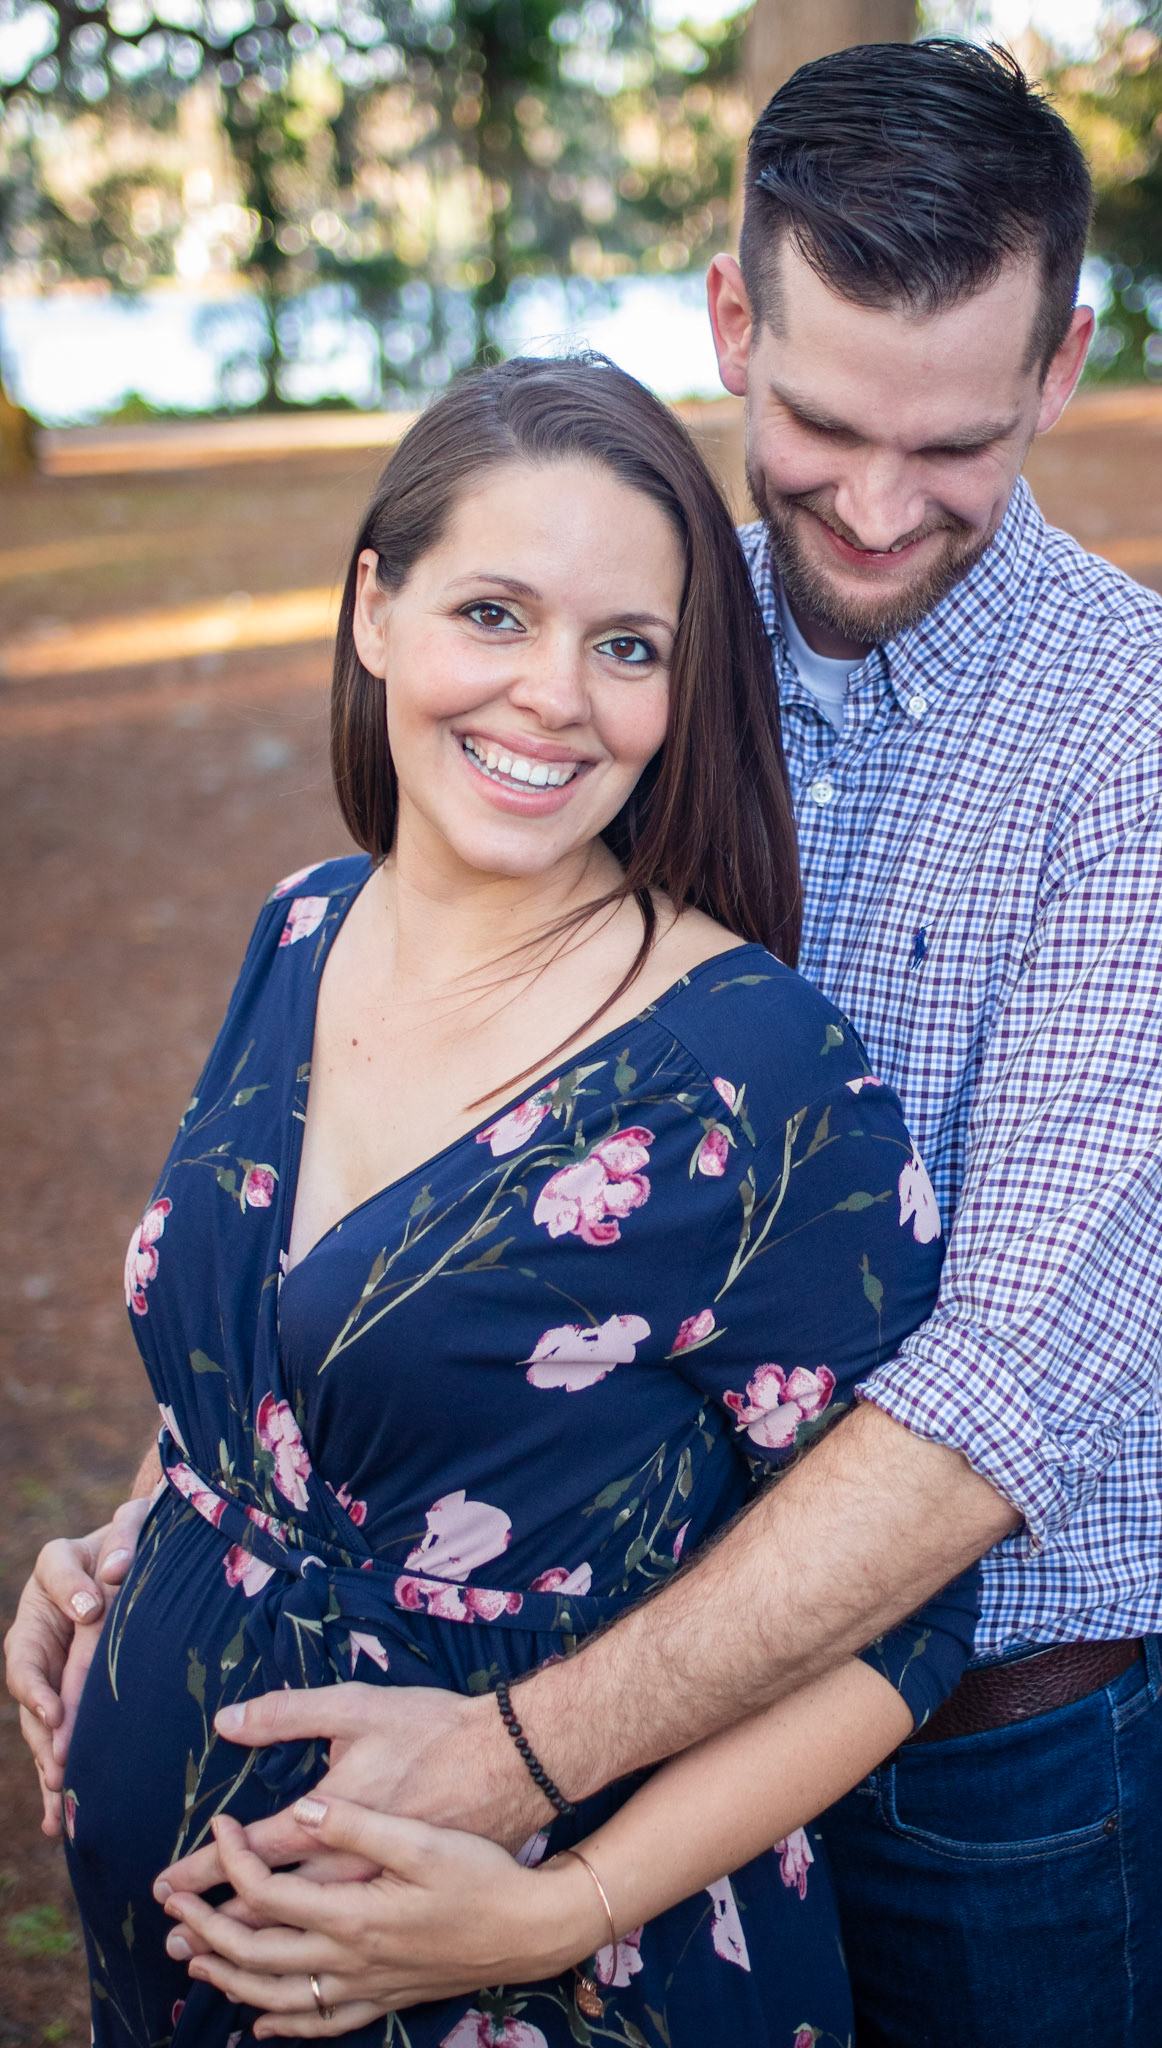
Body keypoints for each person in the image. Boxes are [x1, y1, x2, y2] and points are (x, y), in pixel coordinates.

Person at [7, 39, 1162, 2048]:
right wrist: (192, 1526)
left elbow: (996, 1404)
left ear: (1059, 366)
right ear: (730, 327)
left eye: (954, 442)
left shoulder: (1158, 758)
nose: (876, 505)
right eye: (822, 422)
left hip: (972, 1775)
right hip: (561, 1694)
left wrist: (520, 1773)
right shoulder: (628, 625)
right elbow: (431, 1207)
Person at [33, 352, 981, 2048]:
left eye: (627, 647)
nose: (553, 696)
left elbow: (900, 1615)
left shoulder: (750, 1075)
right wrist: (149, 1528)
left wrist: (562, 1905)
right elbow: (274, 1363)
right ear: (373, 611)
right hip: (175, 1964)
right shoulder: (303, 928)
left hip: (547, 1986)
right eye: (493, 613)